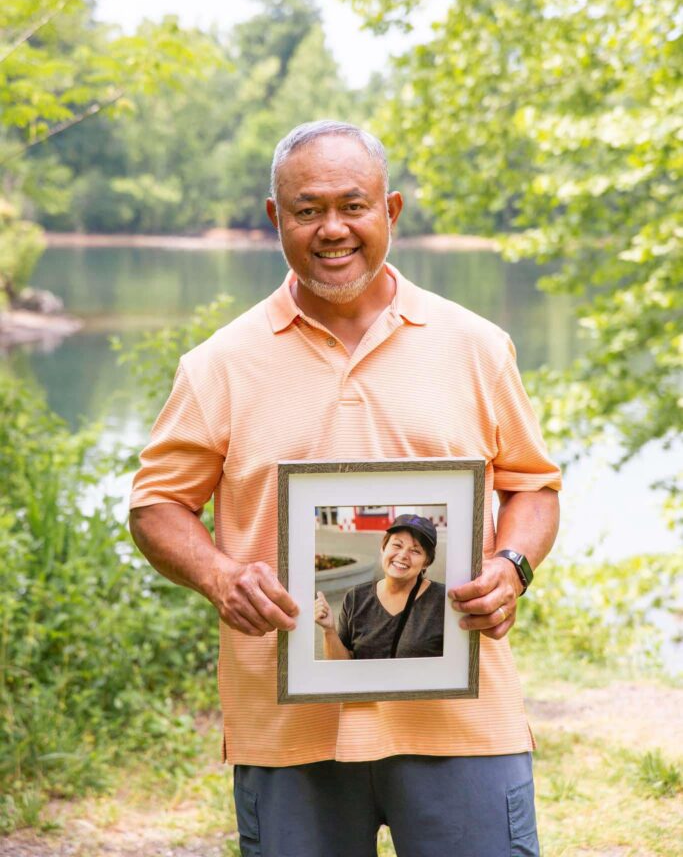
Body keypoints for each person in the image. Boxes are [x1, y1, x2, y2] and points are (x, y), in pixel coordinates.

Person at [129, 119, 561, 857]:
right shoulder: (219, 364)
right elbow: (156, 504)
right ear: (275, 219)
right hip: (287, 728)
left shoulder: (475, 345)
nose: (332, 229)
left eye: (352, 206)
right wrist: (218, 574)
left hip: (463, 716)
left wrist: (509, 568)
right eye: (307, 210)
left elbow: (533, 487)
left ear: (389, 211)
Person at [315, 513, 446, 659]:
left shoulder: (443, 601)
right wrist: (329, 630)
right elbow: (342, 666)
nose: (403, 555)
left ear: (426, 562)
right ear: (383, 548)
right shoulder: (355, 598)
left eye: (415, 551)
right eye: (397, 545)